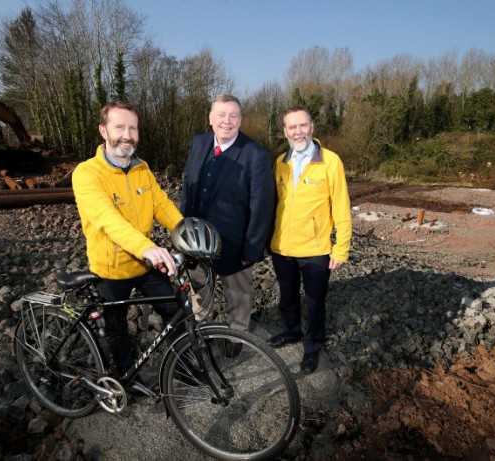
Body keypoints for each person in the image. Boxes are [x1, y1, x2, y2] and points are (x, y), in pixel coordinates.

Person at [72, 101, 184, 389]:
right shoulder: (87, 173)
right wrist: (147, 247)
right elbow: (107, 219)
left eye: (133, 128)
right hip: (111, 269)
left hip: (144, 262)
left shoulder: (141, 168)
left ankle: (183, 367)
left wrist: (185, 231)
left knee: (175, 310)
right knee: (117, 331)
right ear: (103, 130)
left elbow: (161, 204)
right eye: (119, 127)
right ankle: (125, 382)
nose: (127, 134)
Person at [181, 94, 274, 356]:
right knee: (200, 291)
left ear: (241, 120)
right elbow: (189, 188)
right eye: (221, 115)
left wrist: (252, 249)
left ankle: (238, 333)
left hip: (235, 243)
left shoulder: (255, 154)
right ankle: (202, 333)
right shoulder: (198, 143)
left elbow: (262, 206)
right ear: (211, 118)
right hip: (197, 240)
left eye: (233, 115)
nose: (227, 121)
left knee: (239, 293)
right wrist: (183, 228)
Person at [267, 106, 352, 374]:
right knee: (287, 297)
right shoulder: (280, 162)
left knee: (315, 302)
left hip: (316, 249)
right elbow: (273, 205)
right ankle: (292, 331)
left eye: (302, 125)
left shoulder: (330, 161)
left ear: (312, 127)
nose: (298, 131)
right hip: (282, 247)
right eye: (292, 127)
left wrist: (342, 248)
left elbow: (341, 206)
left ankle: (313, 346)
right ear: (285, 132)